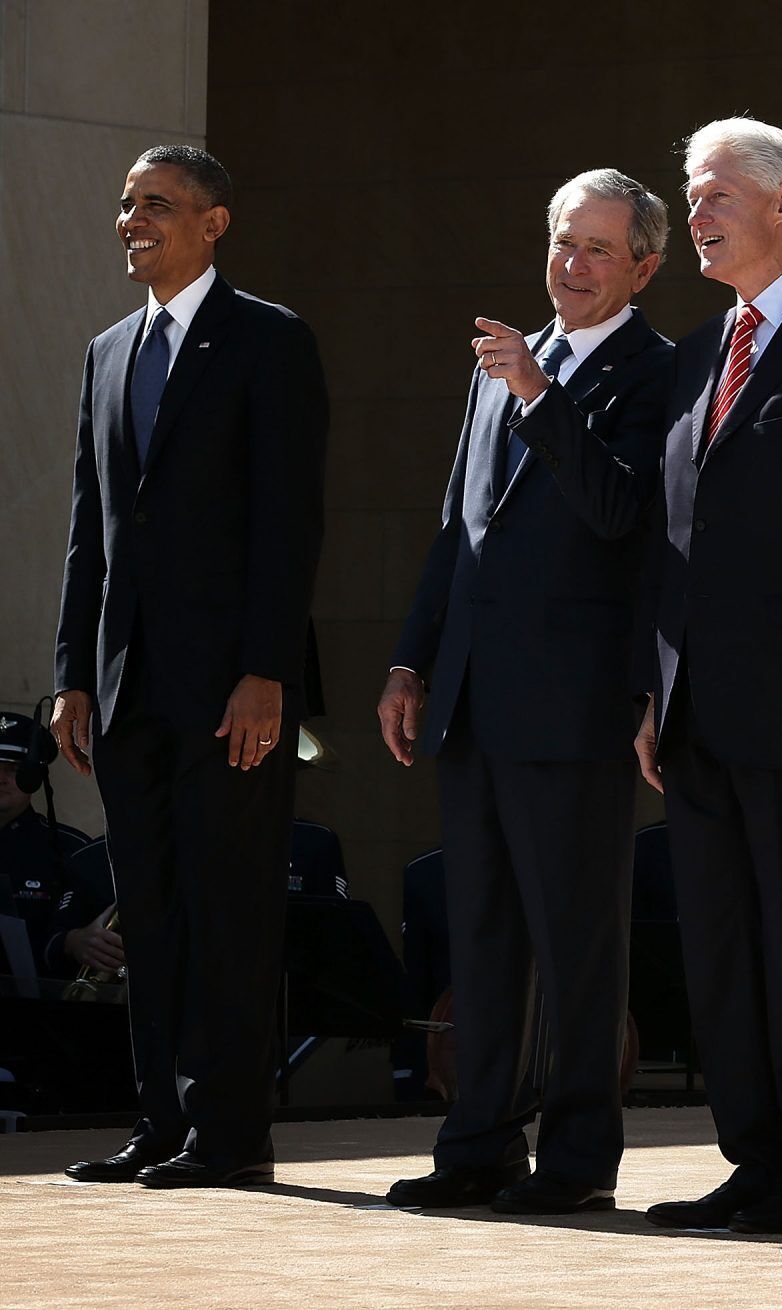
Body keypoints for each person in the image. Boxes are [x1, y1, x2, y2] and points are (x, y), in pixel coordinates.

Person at [520, 117, 782, 1234]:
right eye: (690, 199)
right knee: (718, 941)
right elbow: (667, 536)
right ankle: (752, 1157)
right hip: (695, 708)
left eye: (713, 198)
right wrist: (655, 687)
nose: (694, 215)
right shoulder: (699, 352)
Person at [376, 168, 675, 1215]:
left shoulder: (656, 374)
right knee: (485, 934)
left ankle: (579, 1158)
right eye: (560, 242)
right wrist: (413, 659)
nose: (571, 264)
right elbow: (457, 532)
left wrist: (542, 401)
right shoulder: (498, 367)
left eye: (596, 248)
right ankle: (477, 1145)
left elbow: (620, 516)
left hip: (577, 705)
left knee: (577, 942)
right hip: (472, 695)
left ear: (642, 263)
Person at [51, 145, 327, 1189]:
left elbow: (288, 523)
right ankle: (161, 1124)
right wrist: (74, 670)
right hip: (127, 689)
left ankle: (232, 1134)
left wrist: (266, 670)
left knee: (231, 906)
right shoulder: (107, 350)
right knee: (153, 910)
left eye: (157, 205)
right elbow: (93, 527)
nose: (134, 220)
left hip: (232, 692)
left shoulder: (269, 340)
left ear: (213, 223)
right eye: (125, 204)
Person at [0, 712, 97, 977]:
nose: (2, 779)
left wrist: (73, 942)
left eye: (13, 769)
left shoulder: (72, 849)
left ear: (34, 776)